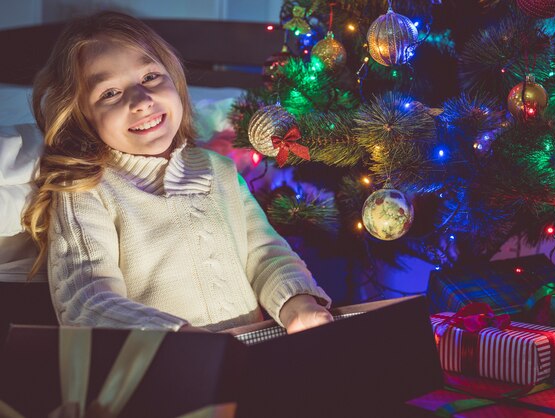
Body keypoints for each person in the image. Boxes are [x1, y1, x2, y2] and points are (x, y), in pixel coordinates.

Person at [22, 11, 333, 334]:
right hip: (164, 369)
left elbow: (266, 254)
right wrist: (178, 338)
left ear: (174, 79)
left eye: (150, 77)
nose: (141, 100)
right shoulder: (86, 189)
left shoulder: (220, 170)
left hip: (250, 357)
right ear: (80, 116)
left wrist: (298, 303)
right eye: (110, 93)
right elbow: (87, 302)